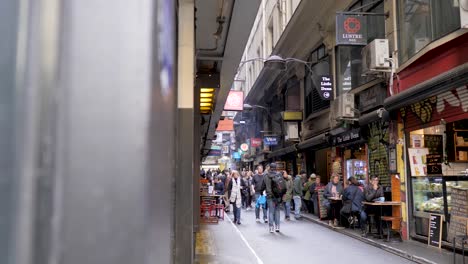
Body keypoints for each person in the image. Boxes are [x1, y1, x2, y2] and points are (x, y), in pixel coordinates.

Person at [263, 163, 282, 232]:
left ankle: (271, 227)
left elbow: (262, 186)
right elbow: (283, 185)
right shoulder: (279, 174)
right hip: (277, 196)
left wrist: (262, 191)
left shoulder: (265, 175)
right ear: (276, 167)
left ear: (270, 168)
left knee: (271, 211)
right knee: (277, 211)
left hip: (269, 195)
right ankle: (277, 226)